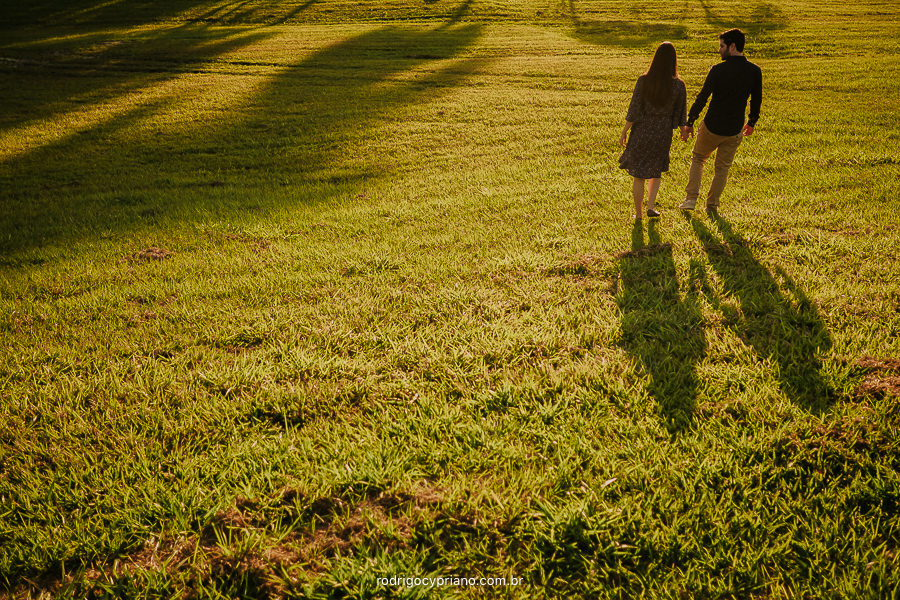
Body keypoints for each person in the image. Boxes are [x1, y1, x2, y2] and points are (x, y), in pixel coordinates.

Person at [679, 28, 762, 213]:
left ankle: (691, 199)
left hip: (711, 127)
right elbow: (756, 100)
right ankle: (712, 205)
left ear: (732, 46)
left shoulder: (718, 70)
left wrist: (690, 121)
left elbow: (702, 97)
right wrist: (752, 122)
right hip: (734, 129)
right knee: (722, 168)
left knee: (699, 159)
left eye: (722, 46)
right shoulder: (755, 71)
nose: (719, 50)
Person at [619, 41, 687, 220]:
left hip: (642, 130)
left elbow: (634, 109)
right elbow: (681, 112)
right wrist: (683, 130)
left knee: (639, 175)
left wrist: (625, 130)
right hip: (663, 132)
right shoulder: (679, 85)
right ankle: (651, 206)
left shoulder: (644, 80)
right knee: (655, 170)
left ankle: (639, 214)